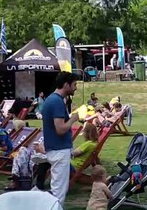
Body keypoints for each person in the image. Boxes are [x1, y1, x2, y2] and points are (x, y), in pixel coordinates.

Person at [41, 71, 80, 204]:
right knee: (59, 191)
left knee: (56, 187)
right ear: (65, 84)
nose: (76, 87)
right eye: (74, 84)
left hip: (54, 148)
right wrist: (73, 118)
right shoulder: (56, 101)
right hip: (59, 149)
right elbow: (61, 129)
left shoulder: (51, 100)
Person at [33, 123, 100, 191]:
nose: (83, 135)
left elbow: (73, 154)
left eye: (84, 132)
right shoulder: (94, 144)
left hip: (70, 166)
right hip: (70, 164)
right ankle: (39, 185)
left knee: (45, 162)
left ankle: (39, 186)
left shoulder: (88, 144)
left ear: (88, 133)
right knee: (46, 162)